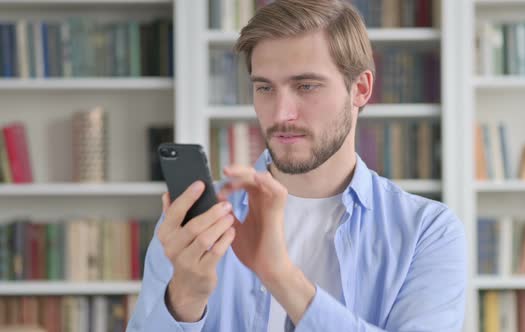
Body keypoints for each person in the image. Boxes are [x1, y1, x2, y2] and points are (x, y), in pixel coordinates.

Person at [128, 0, 466, 331]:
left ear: (360, 90)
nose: (280, 114)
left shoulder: (427, 231)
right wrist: (184, 301)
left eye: (306, 86)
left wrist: (279, 275)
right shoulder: (196, 221)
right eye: (265, 88)